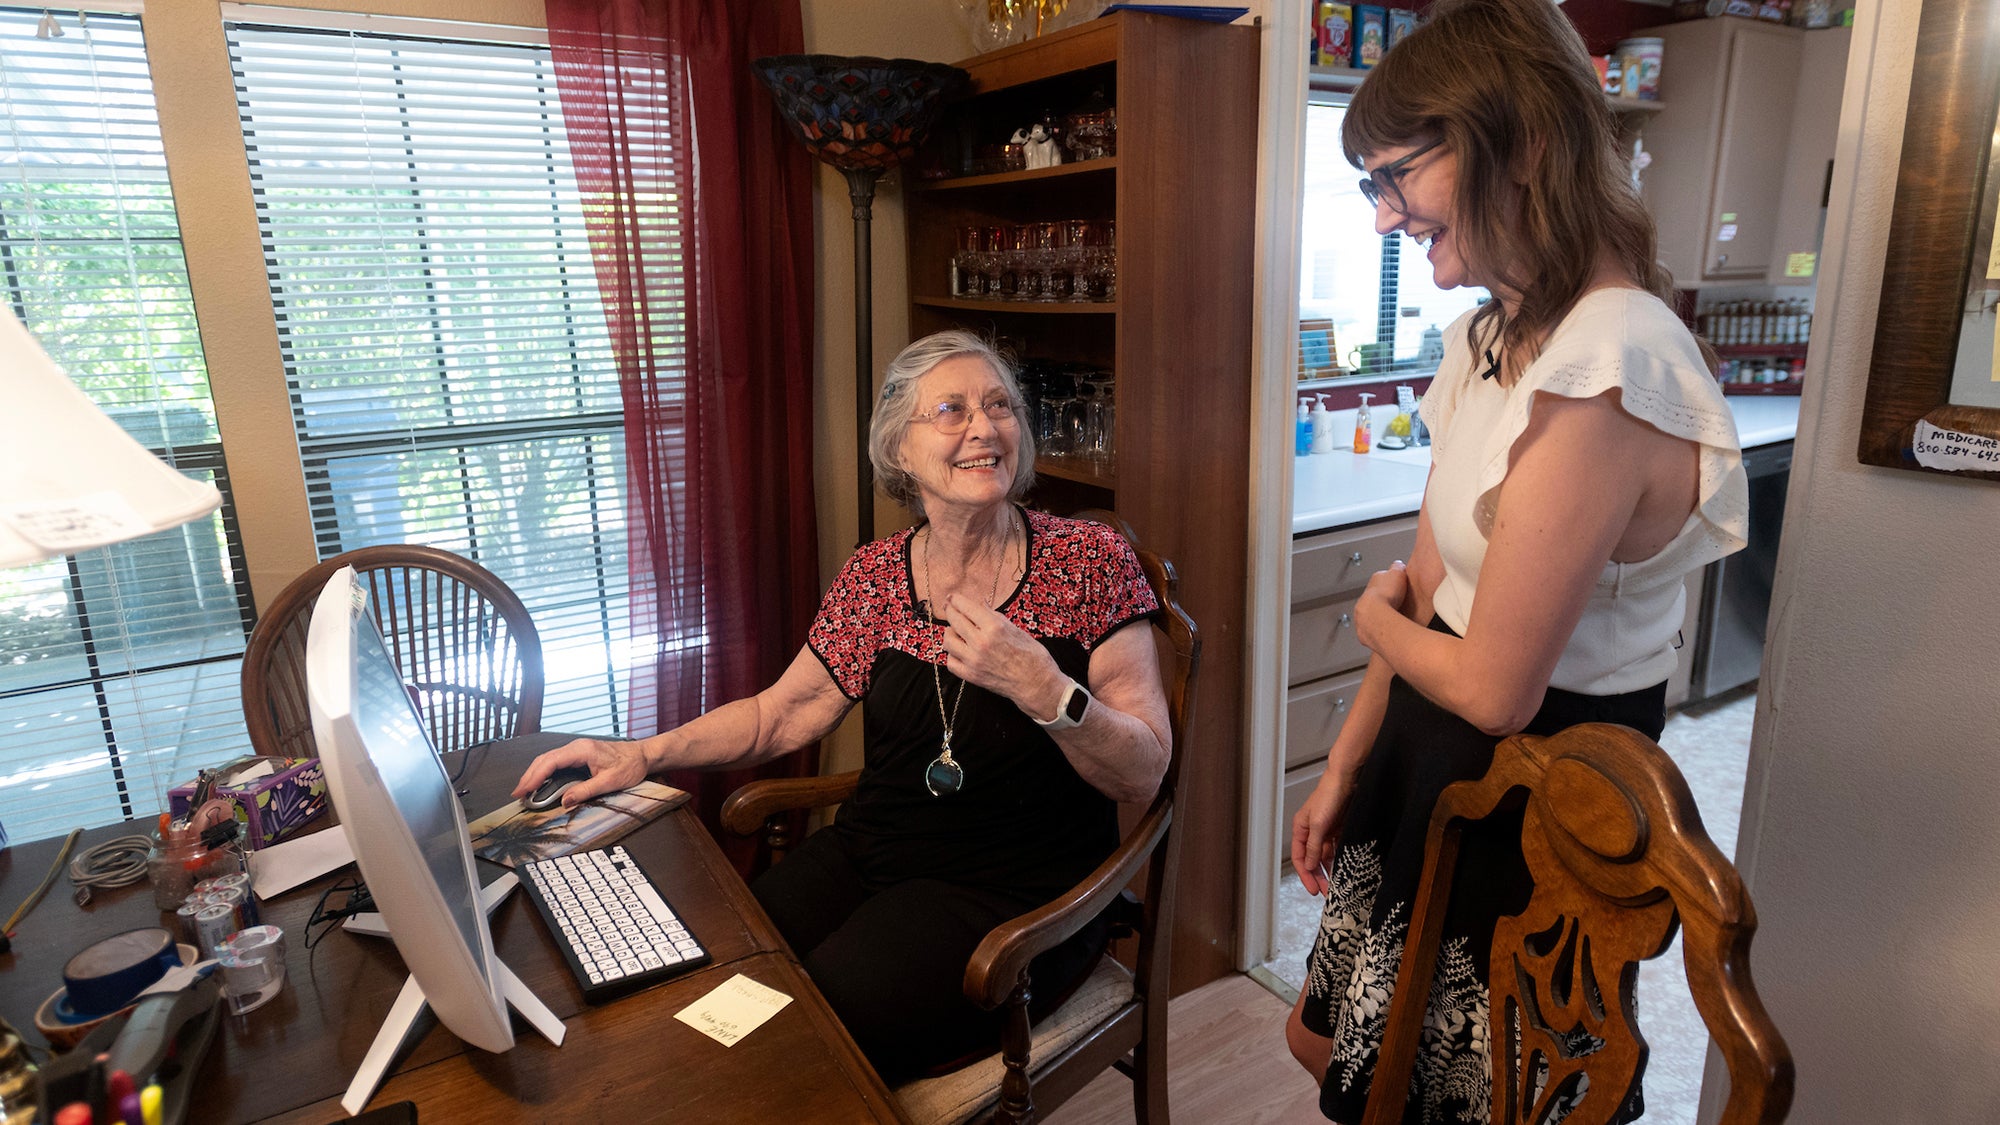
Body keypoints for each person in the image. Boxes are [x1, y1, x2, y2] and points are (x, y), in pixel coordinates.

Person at [1282, 1, 1749, 1122]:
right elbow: (1432, 566)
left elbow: (1495, 687)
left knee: (1460, 1091)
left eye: (1397, 177)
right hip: (1427, 751)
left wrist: (1371, 622)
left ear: (1525, 143)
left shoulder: (1612, 362)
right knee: (1330, 1046)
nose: (1387, 218)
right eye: (1372, 188)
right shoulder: (1496, 334)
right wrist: (1350, 751)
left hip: (1537, 792)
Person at [515, 329, 1171, 1079]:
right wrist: (639, 753)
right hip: (871, 854)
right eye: (951, 410)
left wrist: (1046, 688)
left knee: (808, 1028)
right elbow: (779, 714)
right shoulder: (876, 577)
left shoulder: (1089, 563)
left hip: (1016, 896)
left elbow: (1144, 771)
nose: (984, 428)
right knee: (721, 973)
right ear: (900, 449)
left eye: (999, 407)